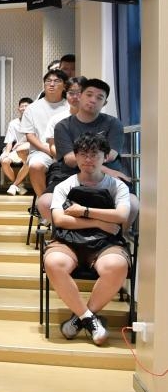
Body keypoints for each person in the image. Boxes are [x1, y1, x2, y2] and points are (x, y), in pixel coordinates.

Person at [45, 133, 132, 347]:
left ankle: (80, 319)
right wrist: (100, 222)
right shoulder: (64, 185)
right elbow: (59, 220)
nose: (88, 159)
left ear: (105, 157)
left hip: (105, 243)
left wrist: (83, 211)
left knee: (117, 265)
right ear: (76, 157)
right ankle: (89, 319)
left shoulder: (117, 186)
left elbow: (121, 215)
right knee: (53, 262)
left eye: (94, 154)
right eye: (83, 154)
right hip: (68, 241)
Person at [21, 70, 70, 197]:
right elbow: (29, 135)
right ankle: (44, 202)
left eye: (57, 81)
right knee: (35, 166)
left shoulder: (70, 106)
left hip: (67, 151)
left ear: (64, 86)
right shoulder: (32, 108)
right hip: (41, 150)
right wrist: (48, 150)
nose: (52, 84)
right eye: (48, 81)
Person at [0, 97, 35, 194]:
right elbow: (9, 141)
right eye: (22, 106)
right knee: (5, 161)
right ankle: (18, 184)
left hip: (32, 150)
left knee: (28, 161)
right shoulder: (13, 123)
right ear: (18, 109)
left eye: (26, 106)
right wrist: (7, 152)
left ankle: (14, 185)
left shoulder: (35, 121)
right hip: (17, 150)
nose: (24, 108)